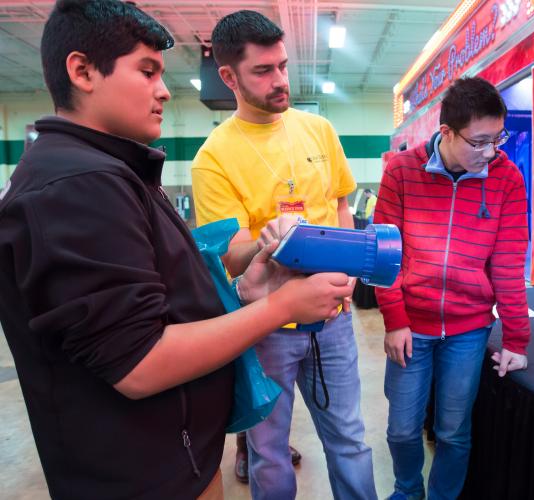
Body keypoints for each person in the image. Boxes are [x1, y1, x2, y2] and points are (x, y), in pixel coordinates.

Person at [0, 1, 353, 498]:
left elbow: (158, 300)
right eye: (146, 72)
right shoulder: (78, 186)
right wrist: (280, 307)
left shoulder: (115, 173)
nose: (164, 90)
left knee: (347, 437)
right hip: (145, 471)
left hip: (176, 452)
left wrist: (245, 295)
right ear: (81, 71)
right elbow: (139, 363)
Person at [191, 10, 377, 500]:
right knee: (268, 450)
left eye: (283, 66)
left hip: (332, 319)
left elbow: (341, 204)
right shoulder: (213, 157)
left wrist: (352, 271)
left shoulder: (318, 131)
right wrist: (265, 241)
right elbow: (229, 258)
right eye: (263, 71)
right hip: (265, 328)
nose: (280, 81)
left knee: (350, 440)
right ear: (228, 76)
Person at [374, 77, 531, 500]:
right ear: (446, 132)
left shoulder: (507, 179)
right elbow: (383, 258)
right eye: (478, 142)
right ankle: (408, 491)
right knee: (402, 429)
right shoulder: (401, 172)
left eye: (497, 139)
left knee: (453, 431)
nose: (490, 152)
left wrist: (516, 337)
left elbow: (508, 264)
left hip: (467, 330)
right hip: (411, 328)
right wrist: (395, 320)